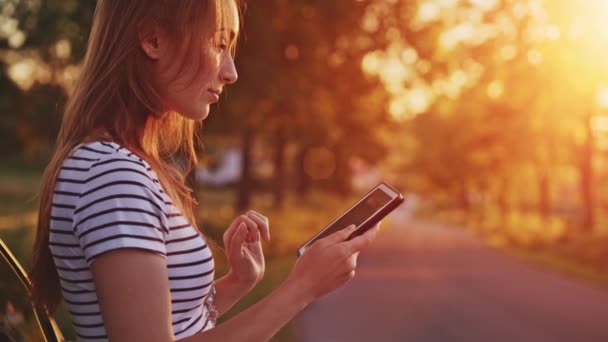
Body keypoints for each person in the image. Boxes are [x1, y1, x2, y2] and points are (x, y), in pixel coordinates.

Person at [29, 0, 379, 341]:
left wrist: (238, 283)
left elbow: (175, 322)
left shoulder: (121, 166)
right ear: (153, 39)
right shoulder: (111, 177)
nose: (231, 71)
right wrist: (299, 289)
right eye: (218, 43)